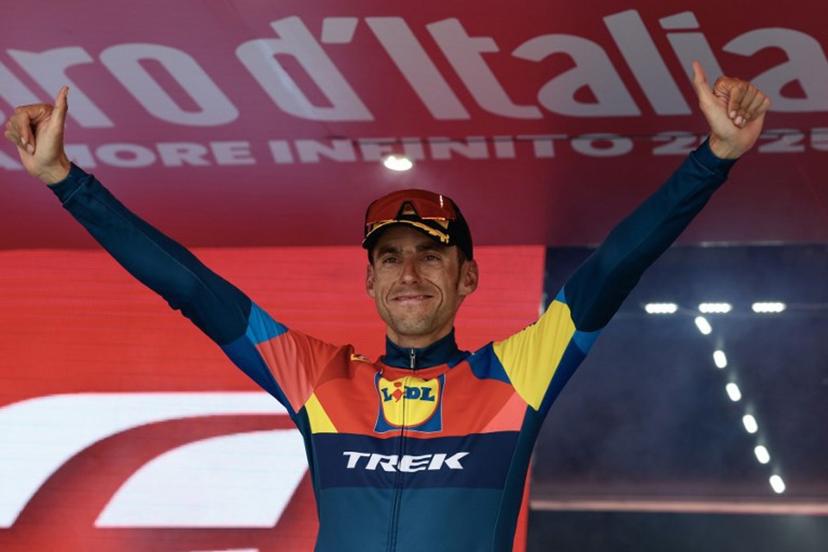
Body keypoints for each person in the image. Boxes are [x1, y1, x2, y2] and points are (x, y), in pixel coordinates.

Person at [4, 61, 769, 552]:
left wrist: (714, 162)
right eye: (390, 257)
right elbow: (190, 289)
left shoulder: (517, 375)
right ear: (369, 282)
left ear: (468, 278)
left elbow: (614, 267)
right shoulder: (318, 377)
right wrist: (68, 181)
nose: (409, 271)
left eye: (432, 253)